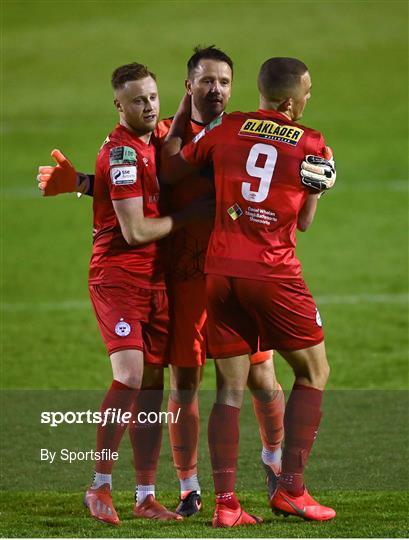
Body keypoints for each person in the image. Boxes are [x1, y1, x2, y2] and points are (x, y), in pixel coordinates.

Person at [161, 56, 337, 526]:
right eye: (307, 91)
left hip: (218, 274)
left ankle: (226, 505)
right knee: (314, 371)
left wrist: (181, 109)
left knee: (230, 391)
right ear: (288, 100)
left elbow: (174, 164)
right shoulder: (313, 144)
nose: (308, 99)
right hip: (273, 273)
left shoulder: (228, 127)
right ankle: (292, 489)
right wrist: (317, 187)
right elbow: (302, 221)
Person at [55, 61, 212, 526]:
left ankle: (145, 495)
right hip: (119, 275)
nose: (148, 106)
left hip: (158, 281)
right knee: (129, 374)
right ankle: (99, 486)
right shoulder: (123, 154)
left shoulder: (154, 138)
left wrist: (82, 183)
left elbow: (175, 131)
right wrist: (193, 216)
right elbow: (137, 229)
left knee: (150, 386)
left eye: (152, 97)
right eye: (137, 100)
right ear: (118, 105)